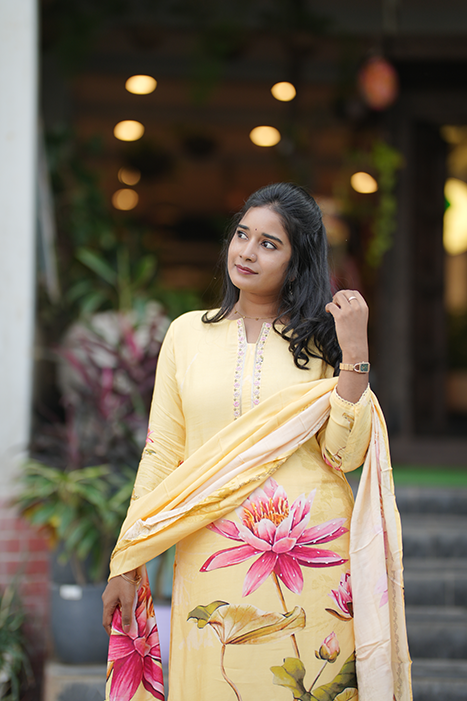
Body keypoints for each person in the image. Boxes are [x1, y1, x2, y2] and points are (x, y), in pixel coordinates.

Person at [102, 183, 411, 701]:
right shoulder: (186, 335)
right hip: (210, 554)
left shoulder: (322, 341)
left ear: (296, 262)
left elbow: (344, 454)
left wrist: (355, 352)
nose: (246, 251)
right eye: (243, 235)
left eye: (269, 244)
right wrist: (126, 560)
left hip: (310, 558)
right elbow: (162, 453)